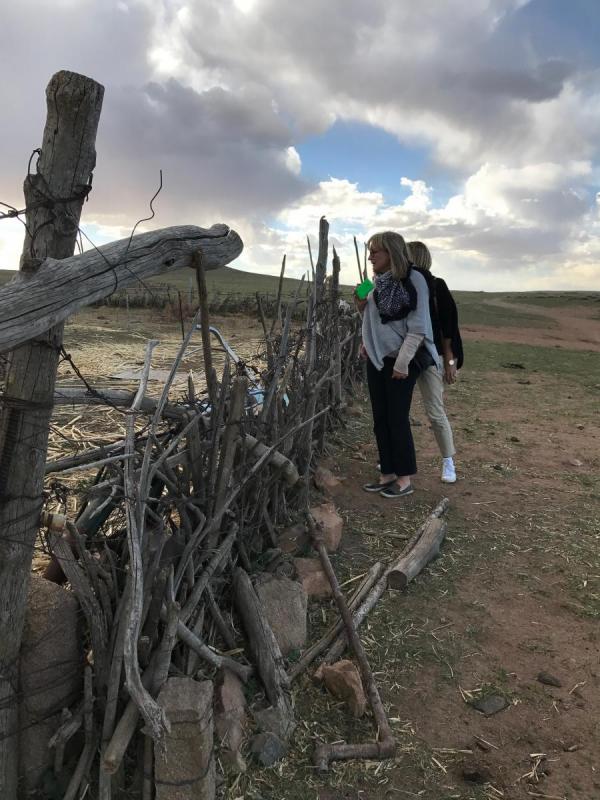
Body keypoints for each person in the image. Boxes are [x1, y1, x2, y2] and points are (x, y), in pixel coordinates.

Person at [356, 231, 440, 498]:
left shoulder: (413, 280)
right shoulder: (377, 282)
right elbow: (372, 319)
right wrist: (365, 337)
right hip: (378, 359)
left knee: (397, 418)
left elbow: (417, 328)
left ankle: (404, 478)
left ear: (391, 253)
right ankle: (387, 473)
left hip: (402, 361)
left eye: (375, 252)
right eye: (370, 252)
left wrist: (402, 363)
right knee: (380, 418)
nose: (370, 257)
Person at [408, 241, 463, 484]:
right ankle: (396, 459)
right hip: (404, 355)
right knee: (400, 412)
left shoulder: (436, 285)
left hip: (430, 355)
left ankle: (448, 461)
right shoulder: (398, 283)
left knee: (434, 410)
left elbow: (449, 325)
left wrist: (450, 360)